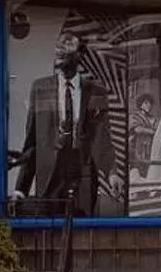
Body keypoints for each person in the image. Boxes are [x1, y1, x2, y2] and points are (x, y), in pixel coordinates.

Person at [13, 29, 115, 215]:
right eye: (58, 46)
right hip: (49, 175)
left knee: (83, 233)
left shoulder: (95, 91)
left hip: (82, 174)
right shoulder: (40, 88)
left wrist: (112, 172)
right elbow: (32, 141)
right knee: (48, 234)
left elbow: (102, 137)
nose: (59, 51)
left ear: (79, 55)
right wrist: (21, 188)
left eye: (67, 46)